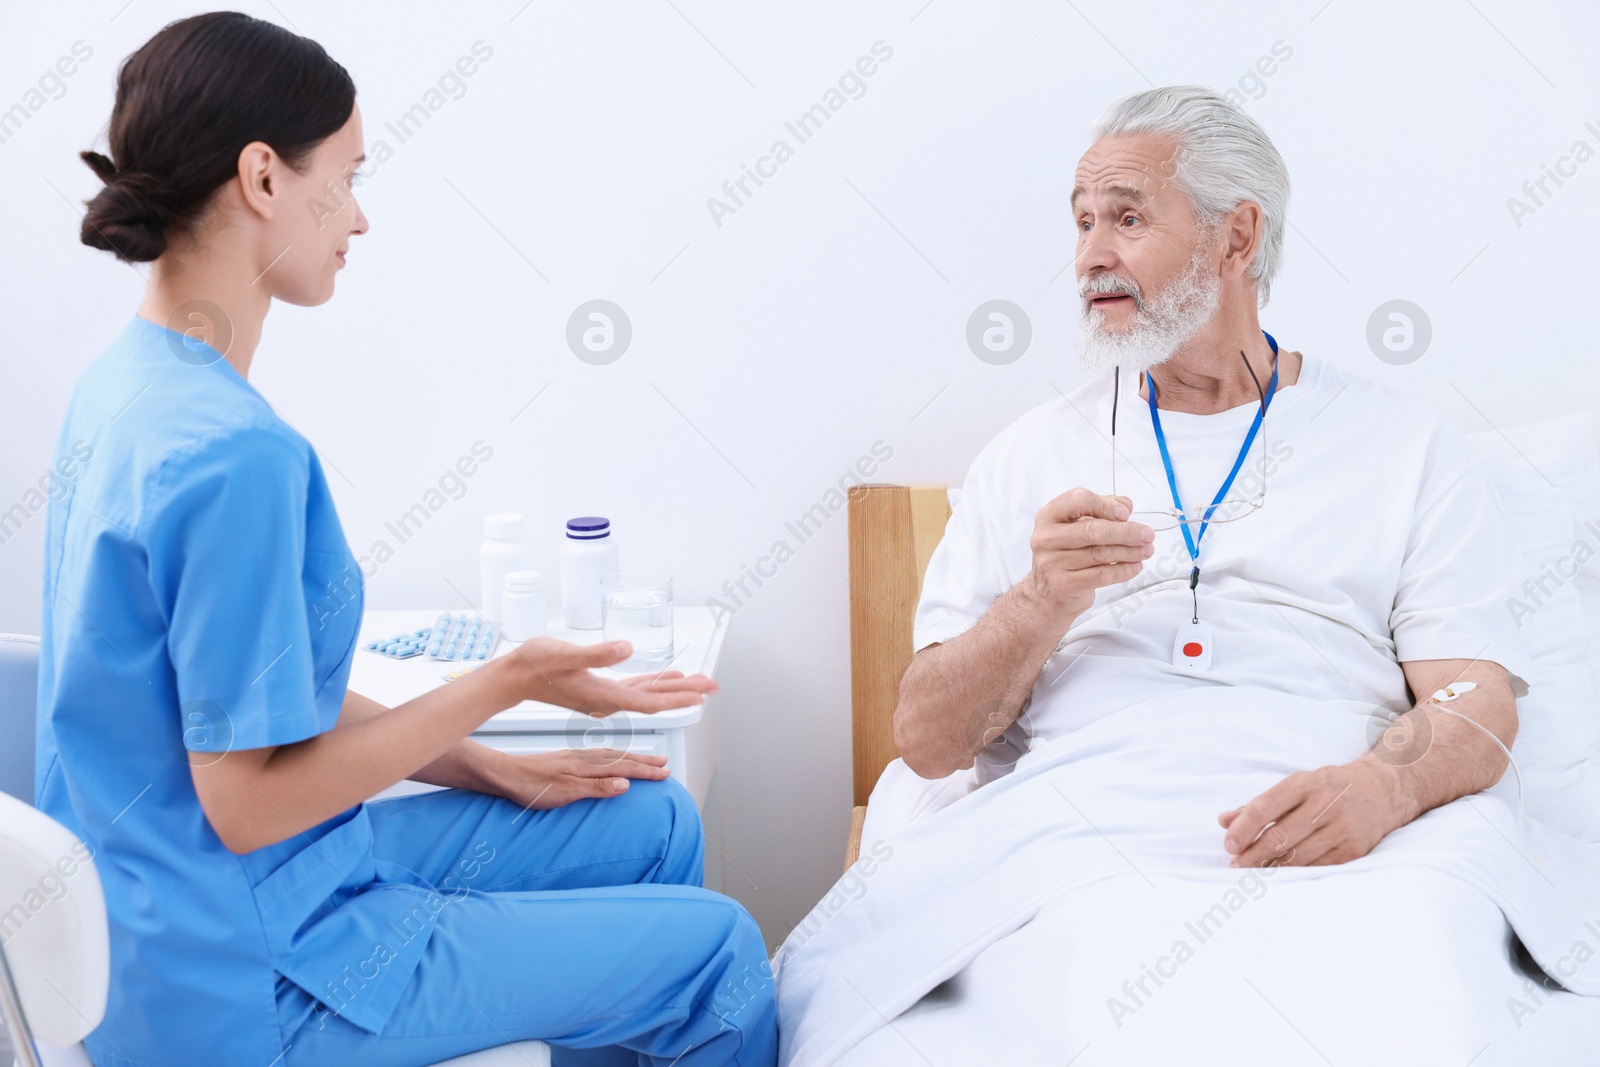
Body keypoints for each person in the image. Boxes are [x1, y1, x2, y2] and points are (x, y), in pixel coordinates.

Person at [37, 13, 776, 1067]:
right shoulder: (233, 455)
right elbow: (244, 801)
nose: (361, 218)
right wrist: (507, 678)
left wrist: (477, 764)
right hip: (247, 973)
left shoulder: (124, 387)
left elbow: (223, 687)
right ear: (261, 179)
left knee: (650, 823)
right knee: (721, 951)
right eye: (344, 176)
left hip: (158, 917)